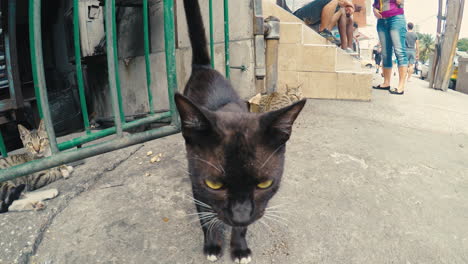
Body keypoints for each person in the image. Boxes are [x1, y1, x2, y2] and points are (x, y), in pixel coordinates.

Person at [372, 0, 408, 95]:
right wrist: (374, 10)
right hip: (381, 21)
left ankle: (401, 86)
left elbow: (400, 2)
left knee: (399, 51)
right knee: (385, 53)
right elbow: (376, 4)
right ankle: (386, 83)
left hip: (396, 19)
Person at [288, 0, 355, 44]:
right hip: (298, 15)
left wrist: (348, 7)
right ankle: (323, 31)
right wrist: (350, 5)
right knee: (336, 1)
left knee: (341, 10)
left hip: (312, 20)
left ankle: (327, 32)